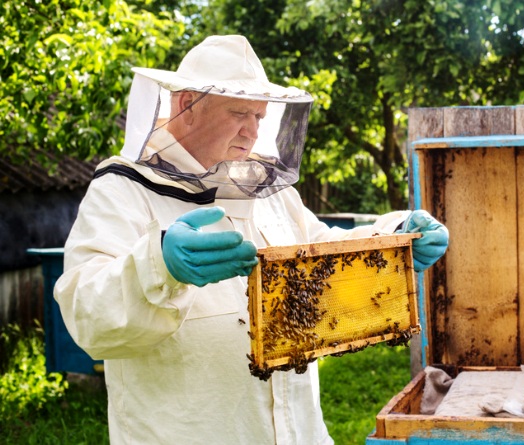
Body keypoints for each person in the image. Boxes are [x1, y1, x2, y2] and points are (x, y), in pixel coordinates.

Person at [54, 35, 448, 444]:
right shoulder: (123, 191)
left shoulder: (269, 191)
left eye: (260, 116)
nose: (252, 131)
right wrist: (157, 265)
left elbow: (326, 251)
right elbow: (87, 316)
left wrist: (394, 239)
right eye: (240, 113)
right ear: (185, 106)